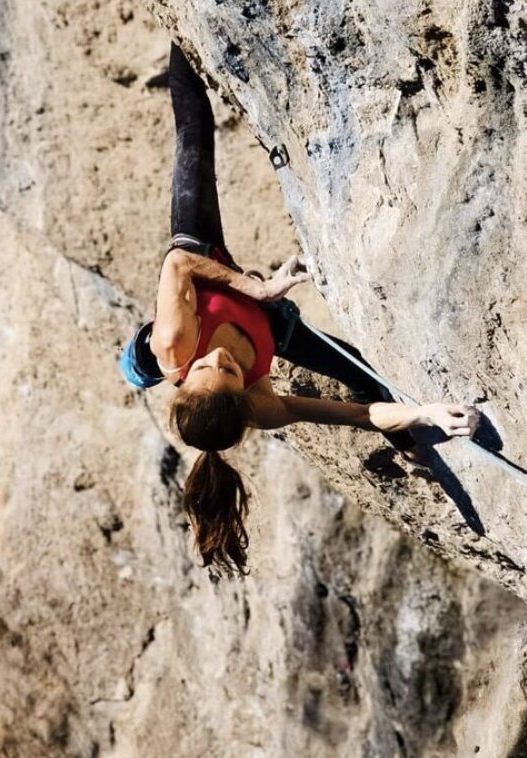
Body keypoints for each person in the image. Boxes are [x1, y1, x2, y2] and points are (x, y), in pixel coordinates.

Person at [120, 43, 479, 576]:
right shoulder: (260, 410)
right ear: (244, 395)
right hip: (268, 328)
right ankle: (412, 447)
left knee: (193, 133)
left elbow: (178, 264)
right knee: (365, 374)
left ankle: (175, 34)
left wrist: (258, 289)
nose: (219, 360)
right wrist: (425, 413)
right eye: (231, 372)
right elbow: (358, 415)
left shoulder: (175, 344)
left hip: (204, 278)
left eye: (207, 369)